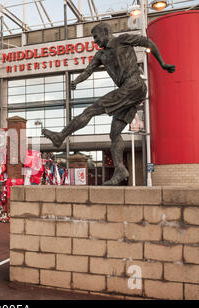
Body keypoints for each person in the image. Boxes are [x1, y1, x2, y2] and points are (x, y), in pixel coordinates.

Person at [43, 22, 175, 186]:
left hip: (133, 85)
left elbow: (148, 43)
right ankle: (120, 169)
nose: (95, 41)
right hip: (131, 92)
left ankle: (60, 136)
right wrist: (76, 81)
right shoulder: (100, 55)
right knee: (114, 133)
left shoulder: (123, 40)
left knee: (90, 110)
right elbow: (88, 70)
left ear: (105, 32)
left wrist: (162, 63)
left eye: (96, 37)